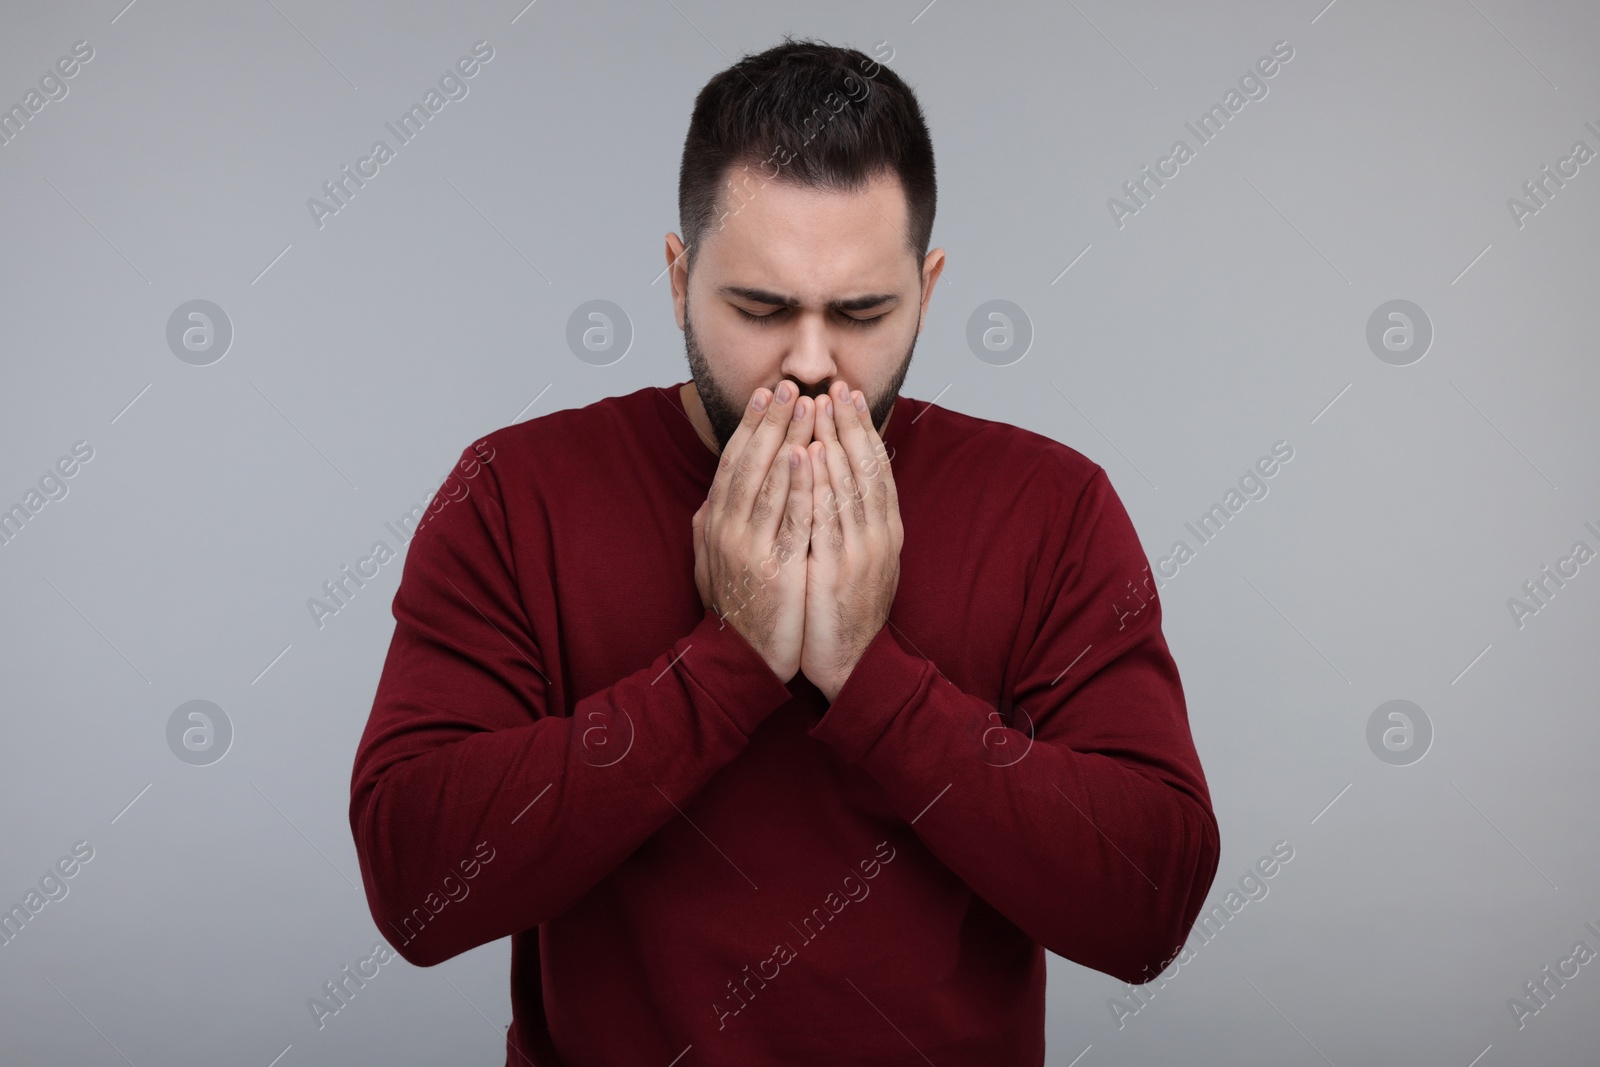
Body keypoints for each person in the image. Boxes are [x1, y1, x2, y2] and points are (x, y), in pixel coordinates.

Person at [349, 36, 1219, 1066]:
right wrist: (730, 661)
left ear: (928, 291)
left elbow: (1147, 907)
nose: (811, 361)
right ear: (678, 279)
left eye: (862, 312)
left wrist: (866, 672)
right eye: (760, 309)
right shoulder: (512, 493)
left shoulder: (1052, 505)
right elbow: (416, 885)